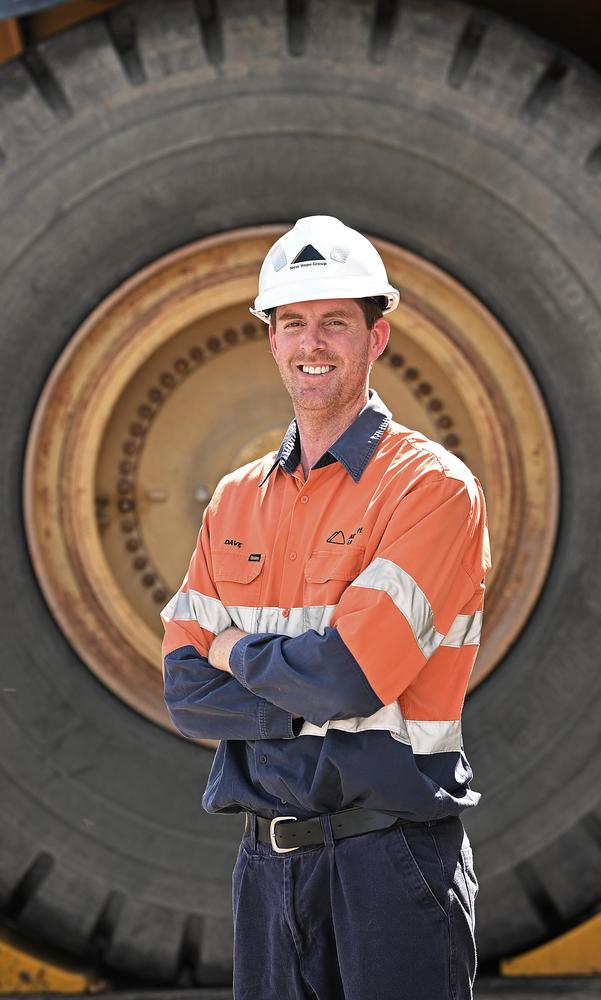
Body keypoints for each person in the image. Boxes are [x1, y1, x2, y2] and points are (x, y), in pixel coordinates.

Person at [161, 216, 491, 1000]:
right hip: (266, 869)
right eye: (294, 323)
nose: (314, 343)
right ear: (272, 340)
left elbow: (345, 680)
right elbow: (183, 689)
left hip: (391, 864)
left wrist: (231, 652)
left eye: (337, 322)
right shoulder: (236, 499)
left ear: (376, 339)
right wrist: (292, 690)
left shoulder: (431, 489)